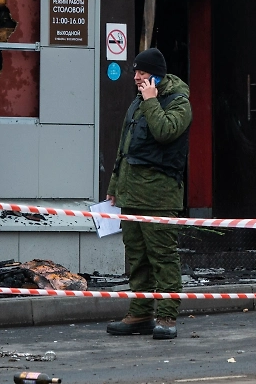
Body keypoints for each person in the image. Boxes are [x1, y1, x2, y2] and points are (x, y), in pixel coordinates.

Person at [105, 47, 192, 341]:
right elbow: (124, 148)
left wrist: (152, 101)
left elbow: (166, 131)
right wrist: (114, 188)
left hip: (159, 195)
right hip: (132, 194)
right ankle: (140, 312)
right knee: (137, 256)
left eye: (142, 72)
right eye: (135, 72)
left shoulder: (179, 102)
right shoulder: (137, 103)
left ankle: (166, 316)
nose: (136, 77)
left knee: (162, 256)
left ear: (156, 74)